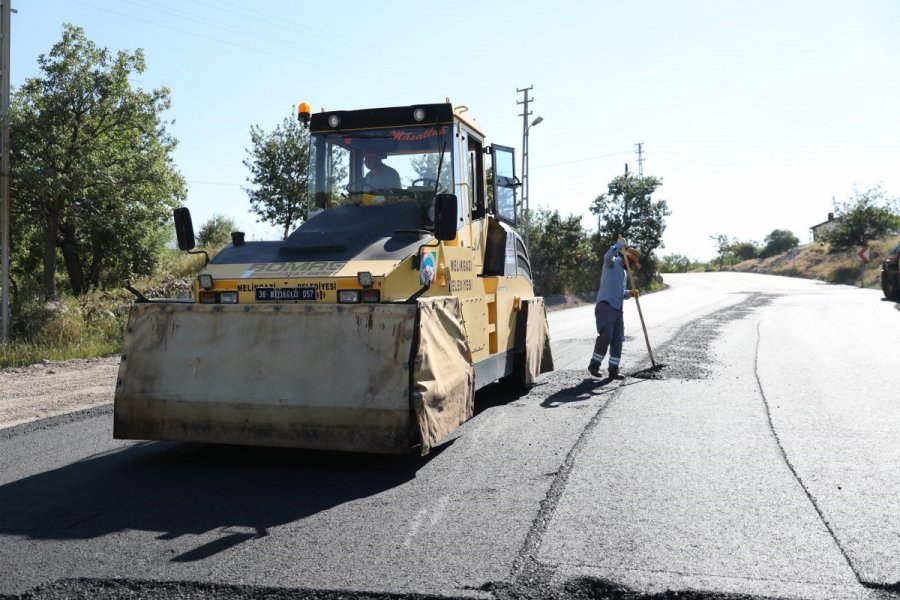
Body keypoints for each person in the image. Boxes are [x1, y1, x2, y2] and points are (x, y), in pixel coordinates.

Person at [588, 236, 640, 380]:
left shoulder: (623, 273)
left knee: (618, 339)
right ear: (628, 259)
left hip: (618, 309)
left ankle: (613, 370)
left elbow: (619, 293)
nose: (633, 265)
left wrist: (629, 293)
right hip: (605, 306)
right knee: (607, 335)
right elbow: (606, 257)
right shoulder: (612, 264)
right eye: (632, 262)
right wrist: (617, 245)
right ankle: (594, 365)